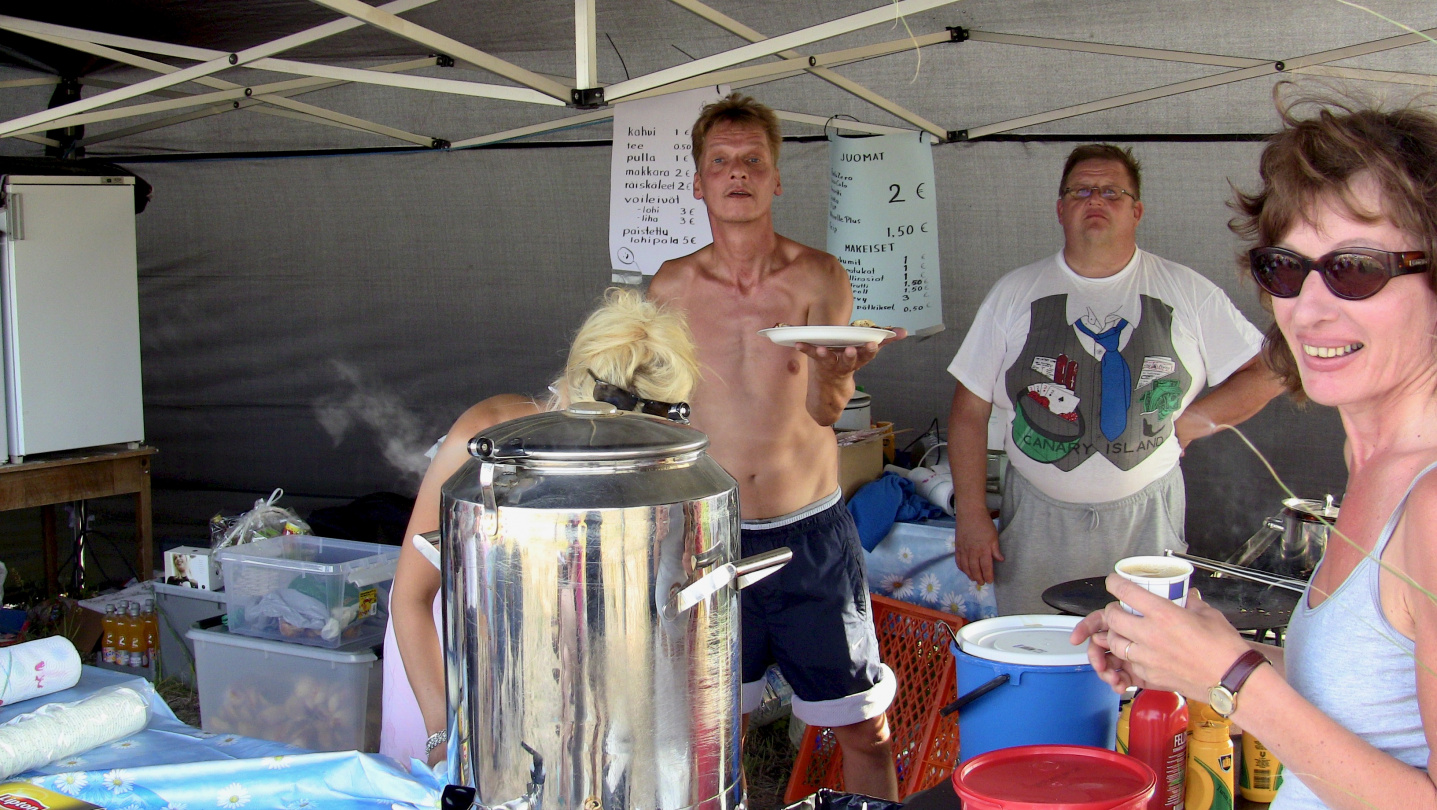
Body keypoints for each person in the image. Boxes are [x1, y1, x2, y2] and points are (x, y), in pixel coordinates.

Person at [1073, 94, 1437, 810]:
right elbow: (1366, 704)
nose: (1311, 307)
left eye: (1355, 268)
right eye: (1284, 268)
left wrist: (1233, 676)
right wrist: (1189, 654)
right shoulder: (1374, 469)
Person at [649, 92, 905, 800]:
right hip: (708, 540)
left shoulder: (818, 275)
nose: (737, 173)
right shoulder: (668, 287)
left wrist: (836, 368)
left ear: (776, 178)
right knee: (705, 731)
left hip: (809, 536)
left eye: (752, 161)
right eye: (721, 162)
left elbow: (827, 412)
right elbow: (662, 421)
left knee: (864, 727)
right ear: (698, 182)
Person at [946, 143, 1283, 615]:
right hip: (1037, 516)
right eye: (1081, 191)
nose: (1095, 201)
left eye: (1112, 192)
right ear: (1061, 209)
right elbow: (968, 412)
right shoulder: (1014, 294)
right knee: (1040, 652)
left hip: (1147, 516)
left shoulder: (1184, 290)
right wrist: (972, 513)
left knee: (1145, 658)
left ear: (1137, 210)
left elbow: (1271, 371)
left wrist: (1190, 423)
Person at [379, 287, 700, 766]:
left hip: (561, 673)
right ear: (573, 392)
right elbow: (410, 598)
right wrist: (443, 730)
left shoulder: (654, 454)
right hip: (451, 664)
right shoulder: (486, 438)